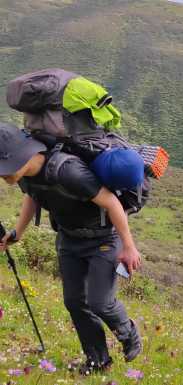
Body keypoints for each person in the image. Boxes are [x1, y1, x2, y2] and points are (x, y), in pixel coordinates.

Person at [0, 123, 142, 374]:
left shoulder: (67, 171)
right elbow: (33, 197)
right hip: (68, 238)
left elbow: (110, 202)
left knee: (101, 303)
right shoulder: (27, 177)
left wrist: (129, 247)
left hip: (103, 239)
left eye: (4, 169)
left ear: (21, 156)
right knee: (75, 302)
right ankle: (98, 360)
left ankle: (127, 331)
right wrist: (17, 234)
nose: (3, 176)